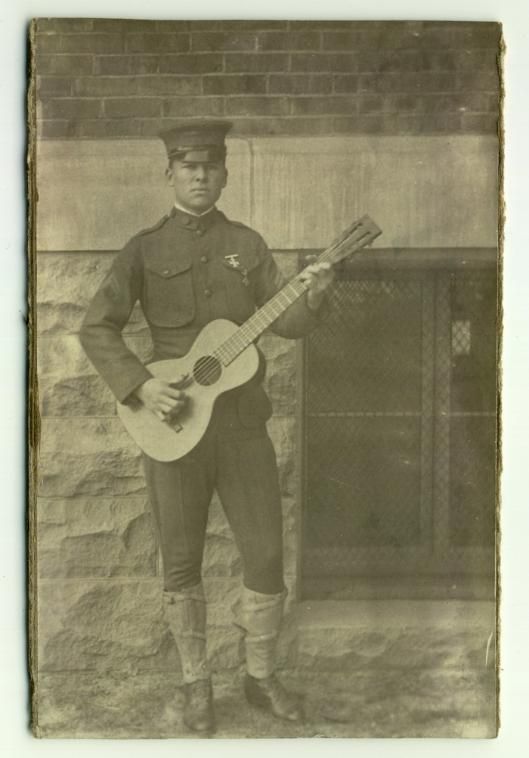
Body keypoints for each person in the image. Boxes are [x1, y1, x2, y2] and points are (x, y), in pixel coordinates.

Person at [80, 120, 334, 734]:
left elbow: (290, 321)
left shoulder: (248, 245)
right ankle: (197, 684)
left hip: (243, 428)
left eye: (211, 168)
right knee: (181, 561)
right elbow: (96, 327)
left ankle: (260, 675)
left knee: (267, 555)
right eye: (188, 167)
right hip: (172, 428)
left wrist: (316, 292)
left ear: (225, 173)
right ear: (169, 172)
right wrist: (142, 384)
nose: (200, 177)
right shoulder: (144, 249)